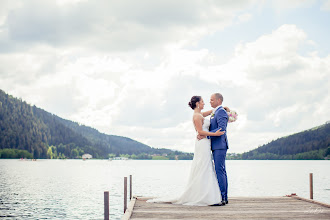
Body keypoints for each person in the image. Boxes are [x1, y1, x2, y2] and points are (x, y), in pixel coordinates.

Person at [147, 95, 226, 206]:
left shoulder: (199, 114)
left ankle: (207, 194)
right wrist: (214, 134)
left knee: (206, 166)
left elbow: (209, 113)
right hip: (202, 143)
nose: (204, 103)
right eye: (203, 102)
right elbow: (200, 132)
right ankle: (205, 196)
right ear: (198, 103)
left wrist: (222, 108)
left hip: (205, 143)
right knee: (203, 166)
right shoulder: (197, 116)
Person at [207, 93, 229, 206]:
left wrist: (206, 135)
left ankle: (223, 198)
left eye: (211, 100)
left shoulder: (220, 111)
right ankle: (223, 197)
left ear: (218, 100)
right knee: (221, 171)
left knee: (220, 171)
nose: (209, 101)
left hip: (220, 145)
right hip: (216, 146)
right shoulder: (215, 111)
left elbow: (222, 128)